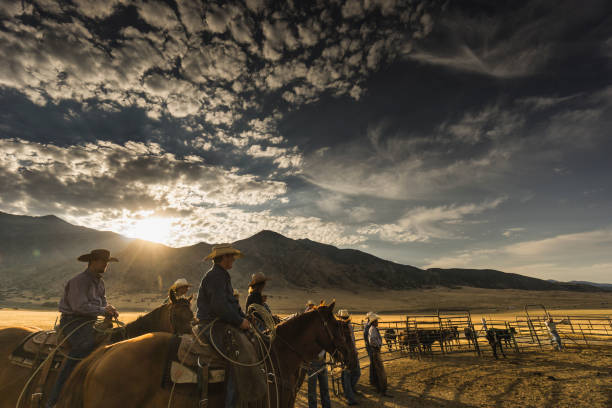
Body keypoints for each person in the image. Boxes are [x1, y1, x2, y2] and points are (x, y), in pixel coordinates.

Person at [45, 249, 119, 408]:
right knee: (84, 346)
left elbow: (102, 303)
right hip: (73, 322)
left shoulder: (100, 282)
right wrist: (102, 311)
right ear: (92, 262)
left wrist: (110, 309)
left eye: (107, 261)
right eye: (102, 260)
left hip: (88, 321)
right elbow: (79, 307)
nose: (106, 264)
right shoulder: (79, 281)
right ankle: (55, 399)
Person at [196, 243, 250, 408]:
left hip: (219, 324)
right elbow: (219, 307)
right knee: (237, 362)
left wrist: (244, 317)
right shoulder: (216, 276)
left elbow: (231, 304)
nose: (233, 259)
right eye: (230, 256)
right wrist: (240, 322)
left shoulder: (221, 275)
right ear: (223, 258)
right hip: (212, 327)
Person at [337, 309, 360, 406]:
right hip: (345, 354)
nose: (345, 320)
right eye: (344, 318)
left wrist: (354, 350)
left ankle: (349, 390)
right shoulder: (339, 329)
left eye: (345, 318)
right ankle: (350, 397)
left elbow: (352, 341)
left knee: (356, 373)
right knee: (347, 374)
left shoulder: (349, 327)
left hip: (352, 353)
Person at [367, 314, 392, 397]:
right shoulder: (373, 329)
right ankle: (382, 390)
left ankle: (379, 388)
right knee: (380, 371)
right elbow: (372, 340)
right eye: (376, 321)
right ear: (373, 322)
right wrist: (378, 345)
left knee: (378, 370)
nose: (378, 322)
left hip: (376, 350)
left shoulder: (373, 329)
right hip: (375, 350)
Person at [363, 311, 378, 387]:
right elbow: (368, 338)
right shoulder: (368, 327)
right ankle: (372, 379)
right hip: (370, 347)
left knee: (373, 362)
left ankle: (373, 379)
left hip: (369, 347)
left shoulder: (367, 326)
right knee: (372, 363)